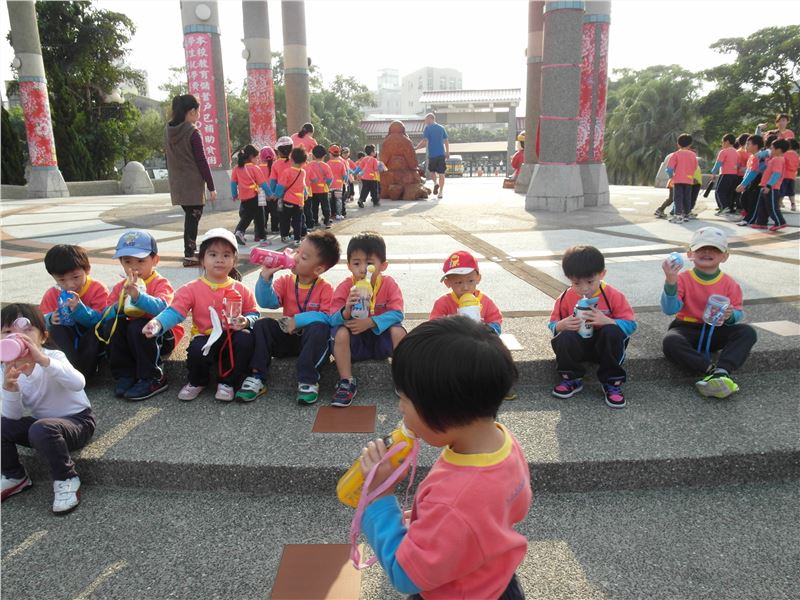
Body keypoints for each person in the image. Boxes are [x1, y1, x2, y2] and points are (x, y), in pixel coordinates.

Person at [356, 317, 531, 600]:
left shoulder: (454, 501)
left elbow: (405, 575)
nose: (400, 408)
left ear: (441, 410)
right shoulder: (501, 441)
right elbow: (514, 506)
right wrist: (435, 524)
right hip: (496, 578)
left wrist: (380, 496)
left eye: (405, 398)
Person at [1, 303, 96, 514]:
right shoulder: (5, 368)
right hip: (43, 426)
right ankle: (14, 475)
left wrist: (43, 361)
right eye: (7, 332)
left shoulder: (53, 357)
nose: (17, 336)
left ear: (43, 337)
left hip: (78, 421)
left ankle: (67, 478)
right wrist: (10, 388)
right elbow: (12, 417)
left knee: (41, 428)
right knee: (4, 425)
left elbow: (78, 383)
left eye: (26, 329)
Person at [143, 229, 258, 402]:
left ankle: (227, 383)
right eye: (213, 254)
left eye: (226, 255)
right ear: (202, 259)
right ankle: (197, 381)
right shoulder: (191, 288)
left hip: (230, 337)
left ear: (234, 260)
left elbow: (253, 313)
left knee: (245, 340)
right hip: (205, 337)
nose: (220, 259)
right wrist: (158, 323)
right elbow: (175, 311)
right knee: (197, 350)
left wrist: (246, 321)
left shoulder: (241, 289)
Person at [237, 230, 341, 405]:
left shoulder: (326, 288)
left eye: (304, 257)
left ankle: (308, 380)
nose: (297, 257)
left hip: (310, 343)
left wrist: (298, 320)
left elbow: (328, 317)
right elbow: (267, 303)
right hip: (287, 338)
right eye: (298, 251)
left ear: (318, 269)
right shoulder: (286, 280)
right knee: (263, 325)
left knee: (320, 328)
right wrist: (265, 278)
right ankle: (257, 377)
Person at [661, 227, 757, 399]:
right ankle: (711, 371)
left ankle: (723, 370)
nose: (706, 252)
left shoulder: (729, 284)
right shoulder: (682, 279)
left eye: (714, 249)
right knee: (670, 341)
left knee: (747, 332)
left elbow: (738, 311)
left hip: (716, 329)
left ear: (725, 256)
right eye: (701, 248)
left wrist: (730, 316)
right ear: (690, 254)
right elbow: (669, 309)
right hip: (686, 328)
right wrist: (670, 282)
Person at [548, 245, 637, 408]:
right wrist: (561, 325)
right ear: (568, 278)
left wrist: (609, 321)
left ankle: (611, 382)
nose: (584, 288)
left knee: (612, 331)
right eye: (576, 283)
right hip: (578, 346)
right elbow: (553, 323)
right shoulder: (565, 297)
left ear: (602, 274)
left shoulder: (613, 295)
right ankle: (571, 378)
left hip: (605, 348)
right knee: (565, 336)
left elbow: (631, 324)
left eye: (590, 282)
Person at [101, 230, 182, 401]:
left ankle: (153, 377)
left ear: (155, 260)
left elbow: (164, 308)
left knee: (139, 325)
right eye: (127, 261)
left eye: (140, 261)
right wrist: (119, 304)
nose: (134, 267)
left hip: (161, 334)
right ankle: (126, 374)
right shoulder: (121, 286)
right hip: (133, 337)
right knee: (112, 325)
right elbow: (106, 314)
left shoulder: (160, 283)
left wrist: (139, 297)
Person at [329, 233, 405, 408]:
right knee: (339, 332)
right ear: (349, 265)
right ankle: (346, 381)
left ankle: (403, 379)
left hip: (380, 342)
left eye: (370, 263)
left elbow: (397, 313)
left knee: (398, 331)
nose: (363, 269)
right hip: (355, 343)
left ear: (383, 265)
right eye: (357, 263)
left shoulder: (388, 284)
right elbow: (332, 319)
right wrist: (346, 310)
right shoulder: (345, 287)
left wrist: (371, 322)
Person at [39, 245, 109, 379]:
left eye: (76, 277)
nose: (70, 284)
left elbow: (102, 320)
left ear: (87, 270)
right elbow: (38, 322)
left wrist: (79, 310)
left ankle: (84, 374)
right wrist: (49, 319)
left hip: (91, 339)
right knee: (57, 329)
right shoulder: (53, 293)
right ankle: (69, 372)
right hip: (66, 341)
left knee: (96, 332)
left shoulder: (97, 289)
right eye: (61, 280)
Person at [165, 94, 217, 267]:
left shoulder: (168, 130)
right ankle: (189, 254)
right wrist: (211, 186)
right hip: (192, 184)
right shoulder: (192, 132)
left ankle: (190, 250)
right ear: (192, 111)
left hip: (177, 183)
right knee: (193, 218)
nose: (199, 115)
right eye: (198, 111)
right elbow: (202, 161)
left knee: (190, 216)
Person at [430, 251, 502, 334]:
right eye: (458, 282)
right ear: (447, 283)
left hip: (478, 340)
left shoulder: (485, 301)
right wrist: (450, 322)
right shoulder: (443, 303)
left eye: (470, 281)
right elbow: (433, 326)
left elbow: (496, 320)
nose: (465, 287)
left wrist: (488, 330)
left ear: (478, 278)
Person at [231, 144, 271, 246]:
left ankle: (240, 233)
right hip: (254, 196)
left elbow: (233, 183)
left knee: (248, 216)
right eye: (256, 158)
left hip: (244, 197)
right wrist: (270, 194)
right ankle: (260, 238)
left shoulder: (237, 168)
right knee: (259, 218)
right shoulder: (254, 168)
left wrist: (234, 194)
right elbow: (263, 184)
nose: (257, 160)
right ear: (251, 156)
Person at [274, 147, 309, 247]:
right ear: (304, 162)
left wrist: (276, 195)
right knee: (298, 221)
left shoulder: (287, 172)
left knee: (285, 219)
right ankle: (297, 239)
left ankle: (285, 236)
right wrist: (306, 194)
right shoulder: (303, 172)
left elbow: (281, 186)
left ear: (291, 159)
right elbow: (303, 185)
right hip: (299, 201)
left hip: (288, 200)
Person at [755, 138, 788, 231]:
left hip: (771, 188)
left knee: (772, 207)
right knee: (762, 206)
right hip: (764, 186)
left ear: (779, 150)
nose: (770, 150)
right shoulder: (774, 159)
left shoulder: (778, 159)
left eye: (772, 148)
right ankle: (761, 223)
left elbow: (776, 174)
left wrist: (769, 185)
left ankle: (780, 222)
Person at [415, 113, 449, 199]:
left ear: (431, 119)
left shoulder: (428, 128)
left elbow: (424, 141)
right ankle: (440, 192)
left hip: (432, 155)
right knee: (441, 173)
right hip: (441, 154)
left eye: (426, 120)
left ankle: (435, 183)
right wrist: (447, 152)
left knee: (432, 172)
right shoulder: (441, 128)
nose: (425, 122)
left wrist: (416, 148)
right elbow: (446, 141)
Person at [734, 135, 767, 226]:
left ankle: (750, 219)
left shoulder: (759, 157)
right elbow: (749, 171)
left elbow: (753, 172)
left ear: (755, 146)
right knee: (744, 198)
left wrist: (743, 184)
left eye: (748, 144)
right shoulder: (752, 156)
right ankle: (749, 216)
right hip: (751, 182)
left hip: (758, 182)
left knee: (753, 201)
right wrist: (744, 183)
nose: (746, 146)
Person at [665, 133, 698, 223]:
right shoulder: (693, 155)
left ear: (678, 144)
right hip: (689, 180)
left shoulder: (676, 154)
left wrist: (671, 176)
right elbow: (695, 167)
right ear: (690, 144)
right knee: (687, 197)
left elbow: (669, 169)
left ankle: (678, 215)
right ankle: (686, 215)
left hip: (678, 180)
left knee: (678, 197)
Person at [269, 137, 296, 243]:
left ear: (278, 151)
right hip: (295, 194)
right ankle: (299, 233)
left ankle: (284, 235)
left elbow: (273, 181)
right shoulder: (295, 162)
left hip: (281, 195)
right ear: (292, 149)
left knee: (283, 216)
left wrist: (272, 193)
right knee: (297, 215)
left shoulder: (275, 164)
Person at [710, 134, 740, 216]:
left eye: (722, 142)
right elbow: (738, 165)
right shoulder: (737, 152)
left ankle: (724, 207)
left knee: (719, 191)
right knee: (729, 192)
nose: (722, 144)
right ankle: (729, 208)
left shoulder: (724, 151)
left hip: (725, 174)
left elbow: (718, 163)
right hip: (734, 175)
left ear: (727, 141)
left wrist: (713, 173)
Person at [307, 144, 334, 229]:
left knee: (314, 206)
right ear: (324, 155)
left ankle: (315, 221)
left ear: (313, 155)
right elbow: (330, 178)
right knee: (325, 206)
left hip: (312, 190)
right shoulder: (325, 166)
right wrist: (327, 185)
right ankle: (327, 221)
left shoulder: (309, 165)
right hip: (323, 189)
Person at [259, 146, 280, 236]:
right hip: (274, 194)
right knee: (275, 213)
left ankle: (263, 229)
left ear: (261, 157)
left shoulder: (258, 168)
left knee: (263, 213)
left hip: (261, 195)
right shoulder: (276, 166)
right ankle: (275, 228)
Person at [327, 144, 348, 220]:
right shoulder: (341, 163)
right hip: (339, 185)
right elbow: (345, 176)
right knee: (338, 200)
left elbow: (326, 175)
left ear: (330, 154)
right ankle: (339, 214)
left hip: (329, 185)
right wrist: (345, 182)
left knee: (329, 201)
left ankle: (329, 214)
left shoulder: (328, 163)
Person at [780, 138, 798, 212]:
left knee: (782, 191)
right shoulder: (796, 154)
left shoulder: (785, 153)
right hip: (792, 175)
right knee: (791, 192)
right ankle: (793, 205)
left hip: (784, 175)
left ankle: (779, 203)